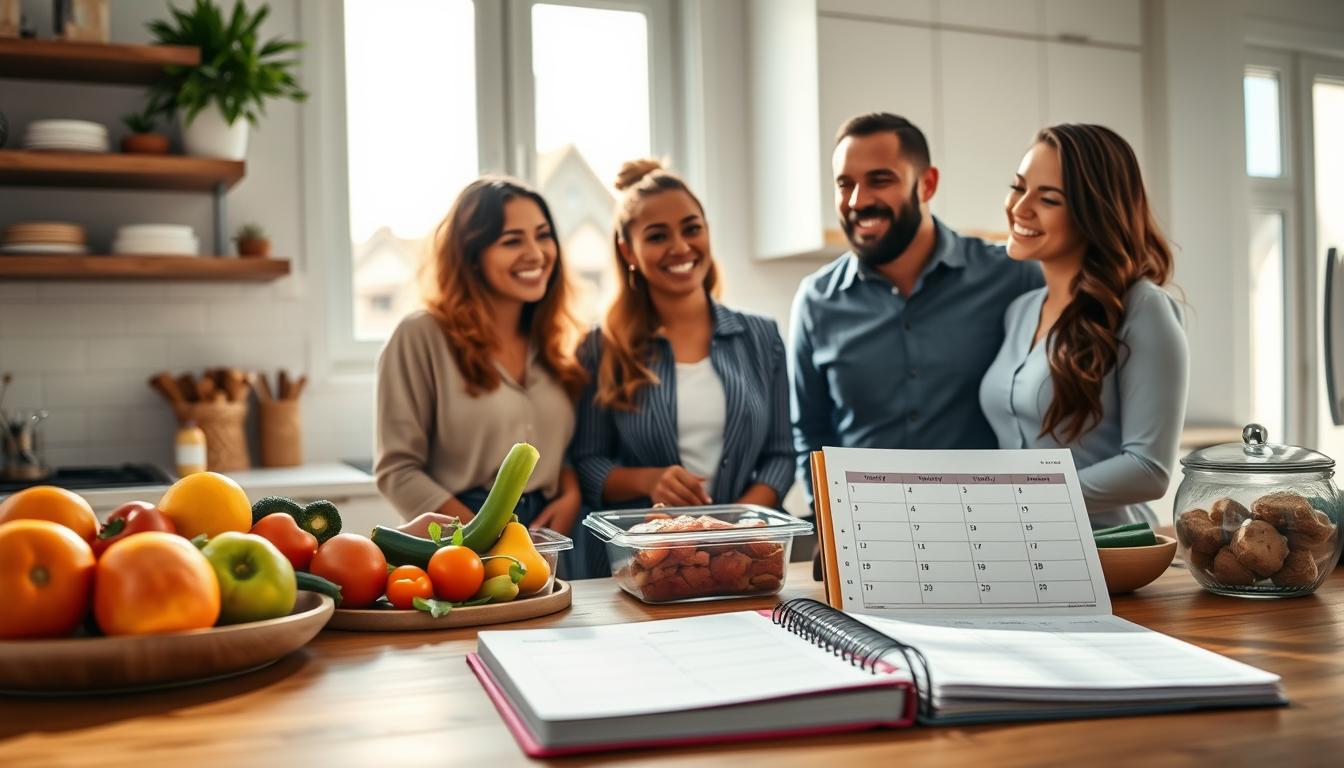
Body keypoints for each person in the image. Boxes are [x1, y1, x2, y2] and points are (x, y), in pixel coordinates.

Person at [790, 113, 1044, 510]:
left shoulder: (1013, 278)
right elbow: (809, 431)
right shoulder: (815, 300)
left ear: (927, 184)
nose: (858, 201)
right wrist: (827, 519)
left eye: (880, 180)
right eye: (845, 184)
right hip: (867, 531)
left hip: (990, 523)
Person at [979, 124, 1187, 528]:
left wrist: (1024, 498)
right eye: (1018, 187)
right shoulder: (1021, 311)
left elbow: (1149, 468)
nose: (1020, 208)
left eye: (1049, 199)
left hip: (1106, 548)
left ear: (1094, 213)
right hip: (1017, 542)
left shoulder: (1144, 308)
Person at [571, 159, 794, 519]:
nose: (680, 247)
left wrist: (734, 521)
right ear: (628, 251)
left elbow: (781, 455)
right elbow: (586, 463)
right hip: (642, 554)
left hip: (742, 552)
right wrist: (649, 480)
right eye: (658, 236)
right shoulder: (601, 346)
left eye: (691, 229)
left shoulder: (761, 336)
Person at [374, 176, 586, 542]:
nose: (536, 253)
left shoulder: (556, 340)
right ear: (471, 255)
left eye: (543, 235)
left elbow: (560, 448)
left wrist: (571, 493)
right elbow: (397, 471)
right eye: (512, 241)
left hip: (552, 538)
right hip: (461, 538)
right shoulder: (420, 336)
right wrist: (482, 533)